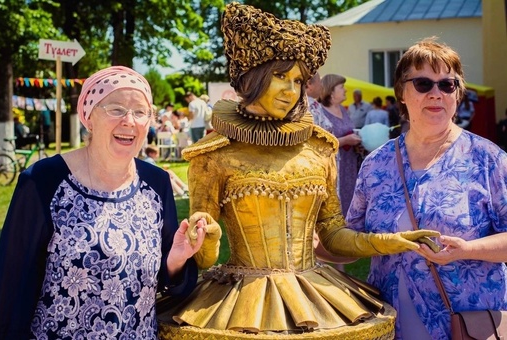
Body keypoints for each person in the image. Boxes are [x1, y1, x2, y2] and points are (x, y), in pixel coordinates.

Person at [157, 4, 438, 339]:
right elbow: (202, 257)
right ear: (254, 75)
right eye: (280, 76)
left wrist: (390, 241)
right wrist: (208, 238)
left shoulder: (320, 149)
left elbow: (333, 234)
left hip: (314, 292)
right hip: (239, 301)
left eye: (298, 80)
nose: (291, 91)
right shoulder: (214, 155)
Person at [0, 66, 211, 339]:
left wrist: (175, 262)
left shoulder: (156, 184)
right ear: (89, 116)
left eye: (140, 112)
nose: (129, 121)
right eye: (116, 109)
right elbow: (11, 287)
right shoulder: (43, 181)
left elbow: (163, 284)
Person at [346, 37, 507, 339]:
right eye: (423, 84)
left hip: (465, 326)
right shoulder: (376, 164)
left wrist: (467, 250)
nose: (436, 93)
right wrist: (308, 242)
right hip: (390, 324)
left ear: (457, 95)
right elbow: (348, 242)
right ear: (402, 93)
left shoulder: (489, 160)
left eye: (447, 85)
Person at [315, 74, 361, 216]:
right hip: (334, 166)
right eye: (341, 87)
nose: (345, 90)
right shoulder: (320, 112)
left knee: (350, 203)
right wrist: (346, 140)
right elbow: (320, 143)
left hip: (350, 164)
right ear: (331, 92)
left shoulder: (343, 110)